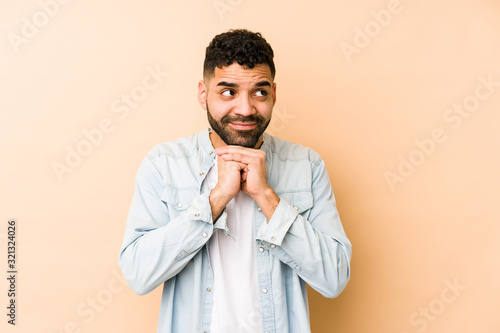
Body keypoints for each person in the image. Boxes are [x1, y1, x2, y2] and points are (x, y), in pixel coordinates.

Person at [119, 29, 352, 333]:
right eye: (228, 92)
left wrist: (267, 197)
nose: (245, 109)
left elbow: (334, 279)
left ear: (274, 94)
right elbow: (139, 275)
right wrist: (215, 201)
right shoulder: (164, 164)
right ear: (203, 94)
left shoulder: (306, 165)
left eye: (259, 92)